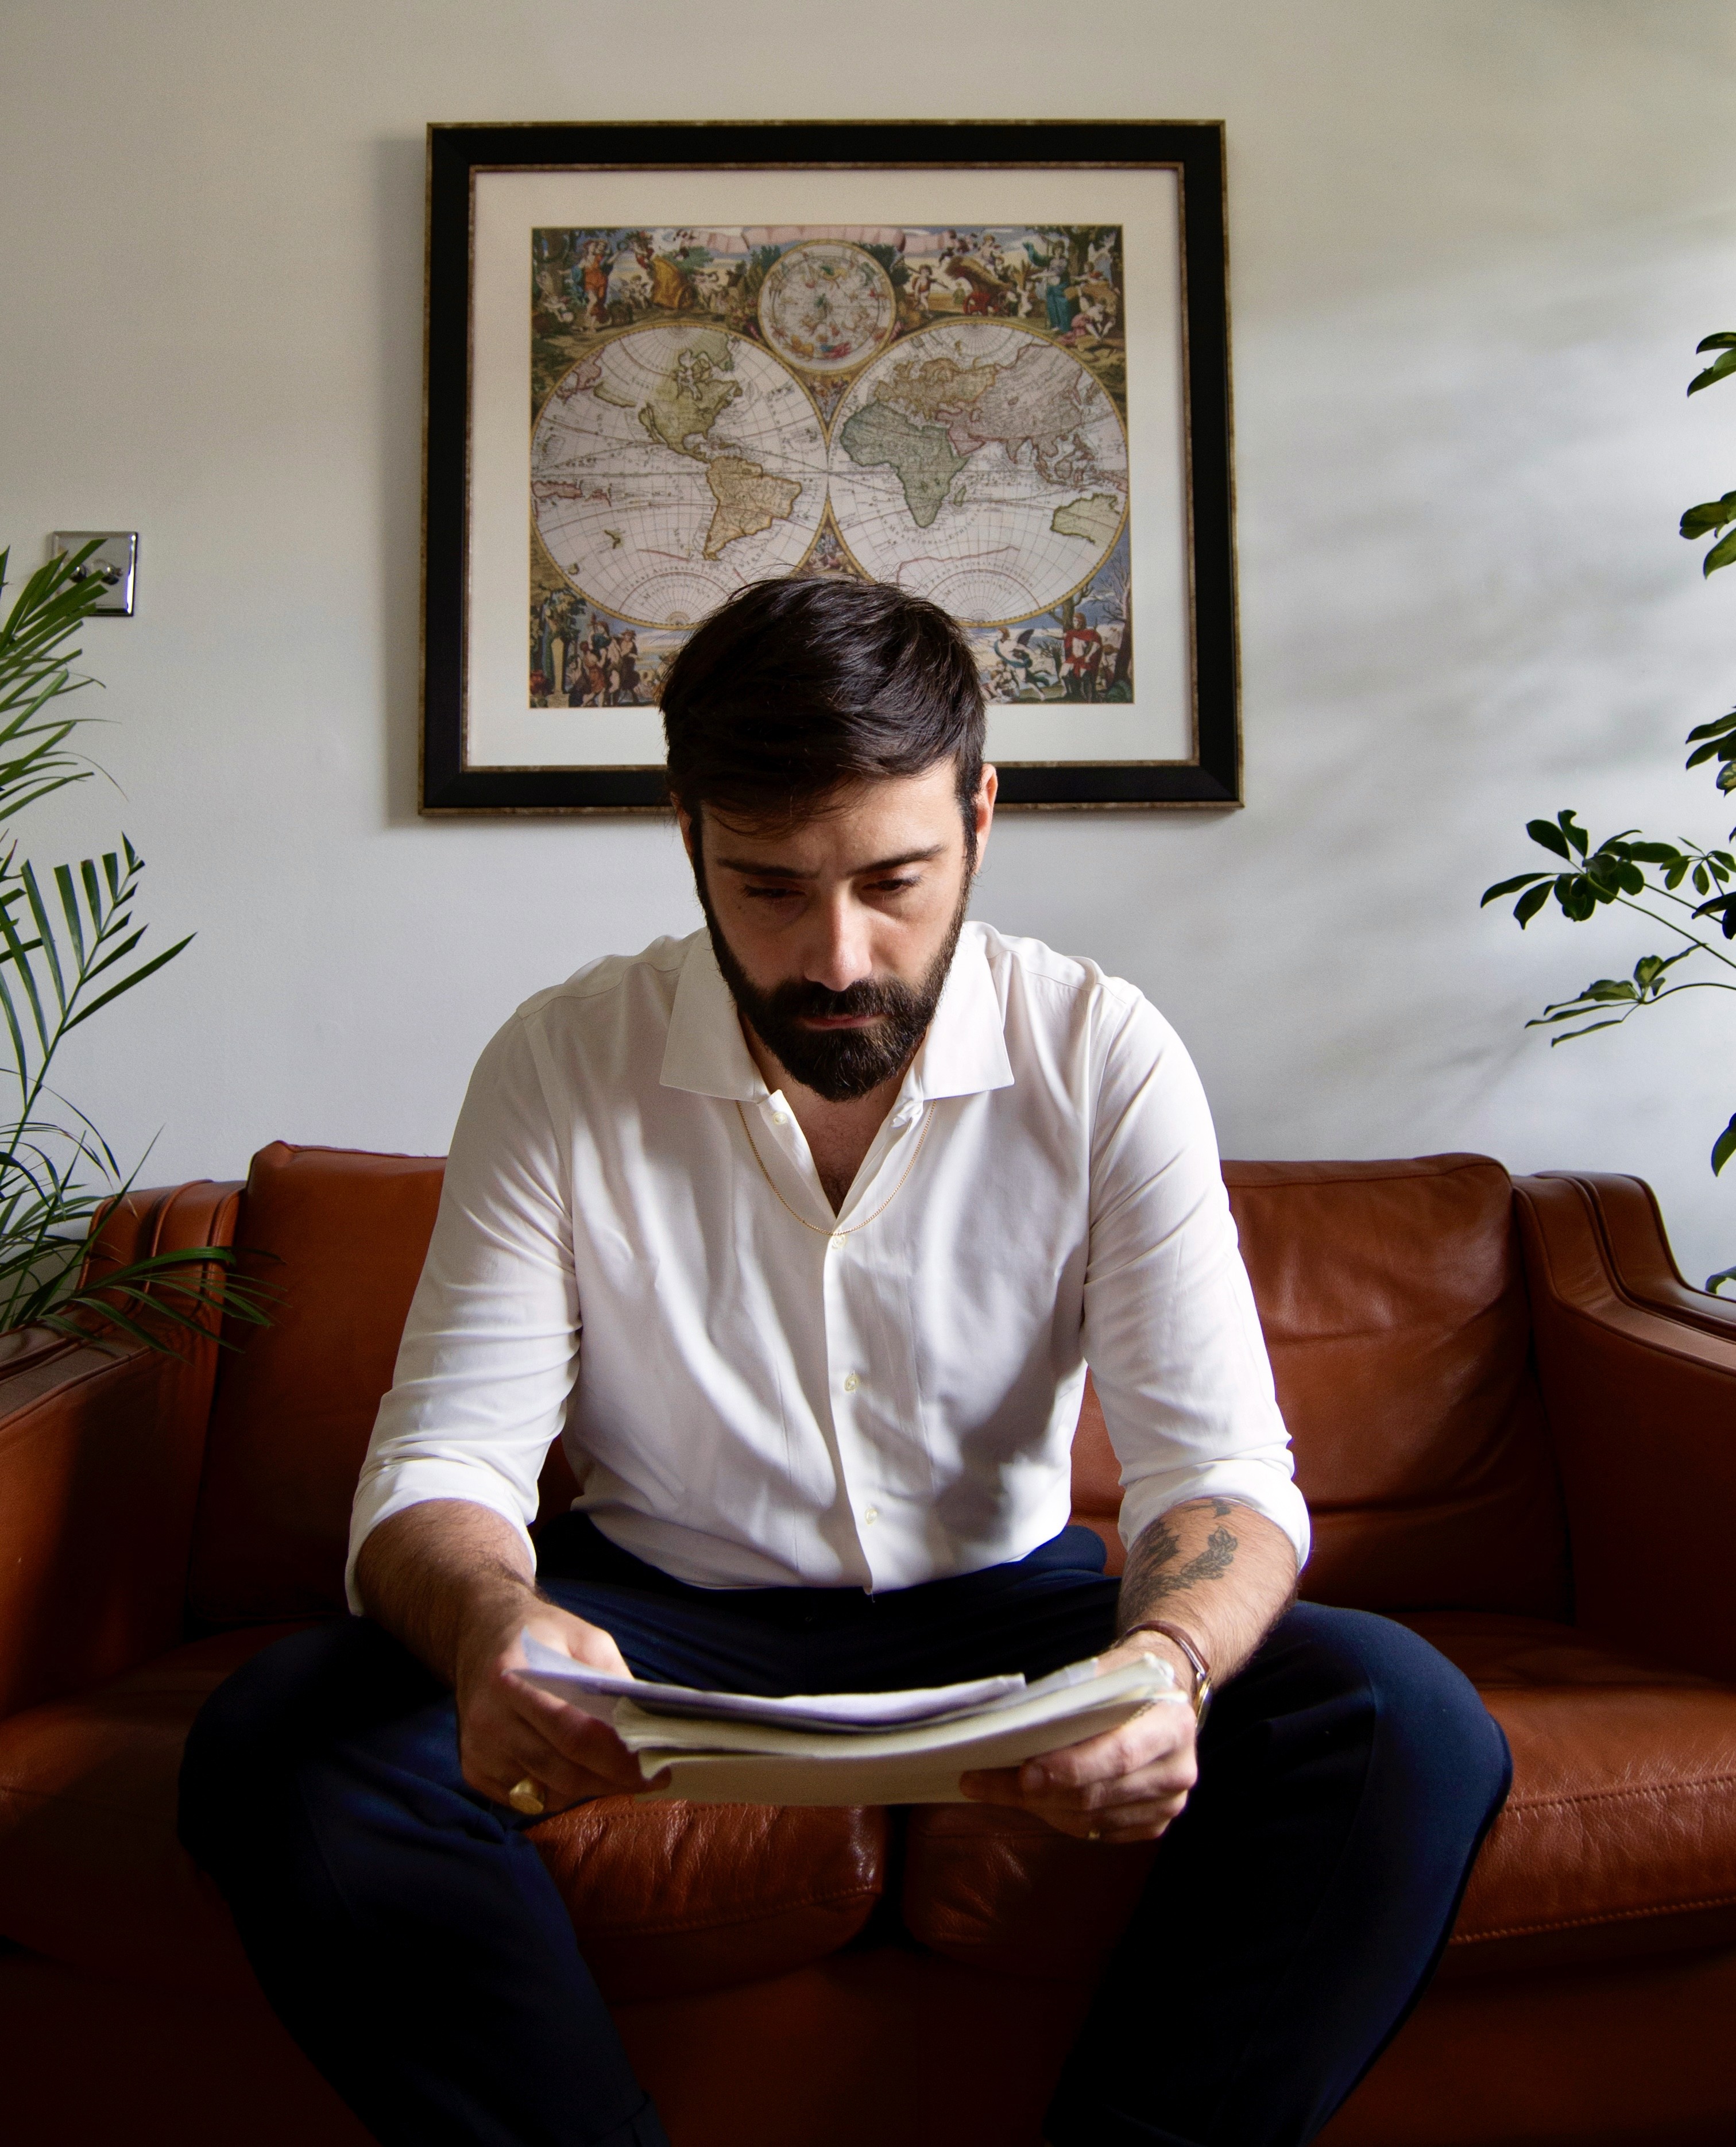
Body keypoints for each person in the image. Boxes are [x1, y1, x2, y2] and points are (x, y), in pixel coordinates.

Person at [179, 577, 1509, 2147]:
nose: (836, 957)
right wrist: (495, 1631)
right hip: (661, 1612)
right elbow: (445, 1461)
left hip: (1008, 1606)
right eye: (768, 886)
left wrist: (1169, 1666)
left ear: (981, 817)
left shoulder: (1102, 1050)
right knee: (280, 1743)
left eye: (896, 881)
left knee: (1406, 1722)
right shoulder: (561, 1060)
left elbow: (1218, 1471)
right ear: (686, 831)